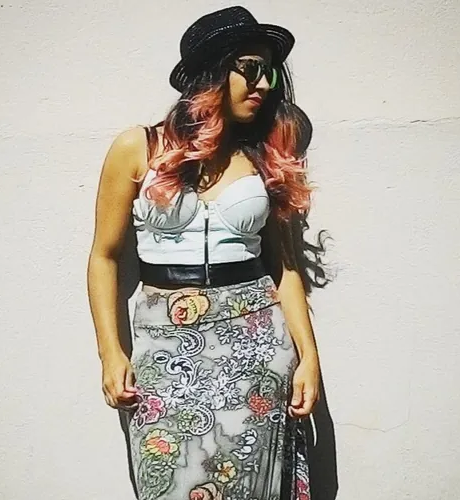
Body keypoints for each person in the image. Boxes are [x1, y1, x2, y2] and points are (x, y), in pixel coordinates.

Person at [87, 5, 321, 500]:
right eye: (250, 68)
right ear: (211, 73)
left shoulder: (264, 155)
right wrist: (111, 353)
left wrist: (308, 357)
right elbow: (104, 257)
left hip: (257, 343)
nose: (263, 84)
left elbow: (284, 267)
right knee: (167, 480)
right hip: (164, 341)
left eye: (270, 72)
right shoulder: (138, 147)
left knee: (253, 485)